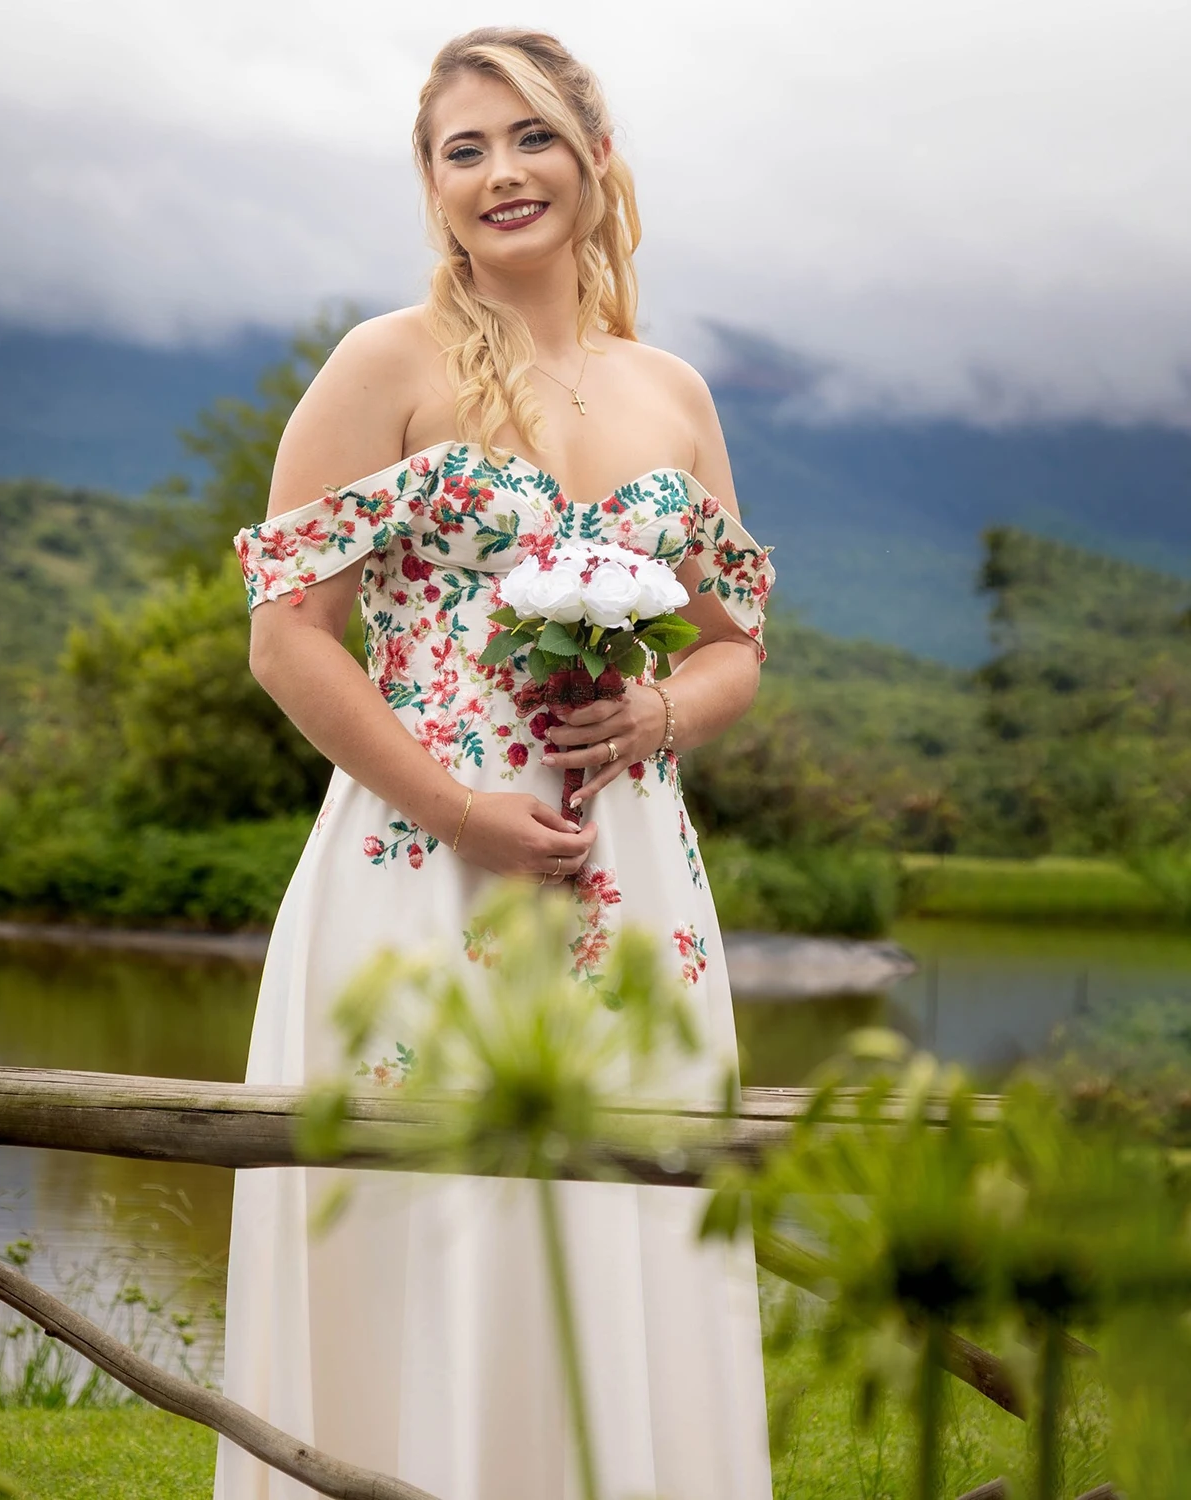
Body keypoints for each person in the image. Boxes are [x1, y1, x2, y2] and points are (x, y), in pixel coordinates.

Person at [215, 26, 775, 1500]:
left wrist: (658, 717)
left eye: (529, 136)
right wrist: (459, 805)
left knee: (625, 1214)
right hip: (420, 871)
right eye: (462, 150)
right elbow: (290, 636)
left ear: (594, 159)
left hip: (630, 882)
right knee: (436, 1223)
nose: (500, 173)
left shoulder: (675, 392)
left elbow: (735, 647)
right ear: (432, 186)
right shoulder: (383, 364)